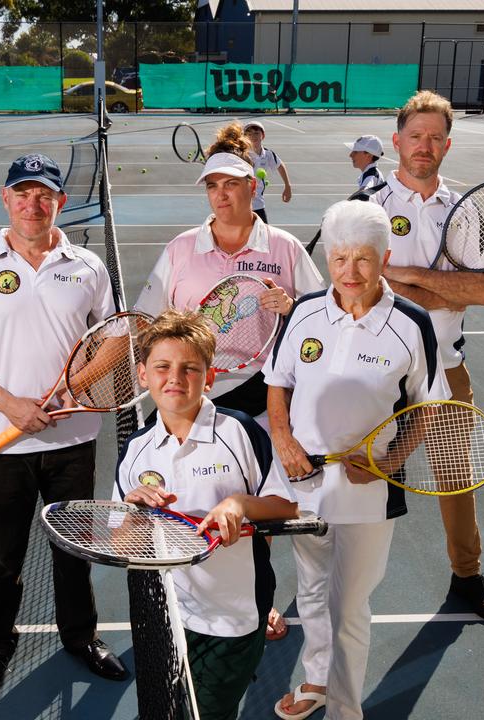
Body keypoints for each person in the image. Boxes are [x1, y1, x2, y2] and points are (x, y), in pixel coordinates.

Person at [0, 153, 129, 702]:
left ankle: (81, 638)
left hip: (74, 441)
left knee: (74, 551)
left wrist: (74, 387)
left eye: (44, 194)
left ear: (59, 202)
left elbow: (115, 339)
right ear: (6, 198)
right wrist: (11, 404)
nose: (32, 204)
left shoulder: (88, 266)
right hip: (6, 441)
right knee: (2, 557)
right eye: (22, 193)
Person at [135, 121, 322, 641]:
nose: (221, 195)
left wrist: (293, 305)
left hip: (260, 401)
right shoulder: (180, 249)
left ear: (252, 187)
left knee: (253, 512)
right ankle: (187, 602)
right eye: (213, 186)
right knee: (184, 503)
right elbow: (149, 320)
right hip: (190, 399)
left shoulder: (283, 247)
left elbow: (321, 318)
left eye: (232, 184)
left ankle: (256, 604)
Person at [266, 200, 449, 720]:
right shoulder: (304, 311)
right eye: (340, 258)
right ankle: (317, 680)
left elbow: (427, 405)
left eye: (363, 260)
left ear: (384, 257)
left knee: (348, 607)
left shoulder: (412, 324)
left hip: (369, 493)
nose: (350, 272)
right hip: (303, 483)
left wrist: (392, 462)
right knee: (313, 590)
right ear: (328, 259)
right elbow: (278, 383)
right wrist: (283, 440)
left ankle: (347, 711)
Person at [367, 90, 484, 629]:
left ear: (446, 145)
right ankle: (333, 574)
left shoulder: (462, 210)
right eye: (415, 136)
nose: (423, 146)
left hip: (445, 367)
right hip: (375, 368)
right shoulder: (370, 208)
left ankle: (467, 577)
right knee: (362, 473)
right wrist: (452, 288)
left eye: (434, 138)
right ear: (397, 141)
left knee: (455, 476)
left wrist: (409, 277)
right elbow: (358, 290)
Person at [115, 310, 297, 720]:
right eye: (162, 367)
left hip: (233, 618)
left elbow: (288, 505)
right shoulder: (135, 451)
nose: (174, 377)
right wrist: (131, 511)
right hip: (169, 618)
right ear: (143, 375)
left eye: (189, 368)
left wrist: (241, 504)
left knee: (210, 712)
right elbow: (121, 545)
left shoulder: (240, 432)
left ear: (209, 377)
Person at [242, 120, 292, 224]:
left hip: (258, 204)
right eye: (249, 134)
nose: (253, 136)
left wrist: (288, 186)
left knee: (264, 234)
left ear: (262, 135)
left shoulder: (268, 154)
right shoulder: (242, 155)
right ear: (244, 137)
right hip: (241, 204)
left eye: (256, 133)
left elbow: (280, 165)